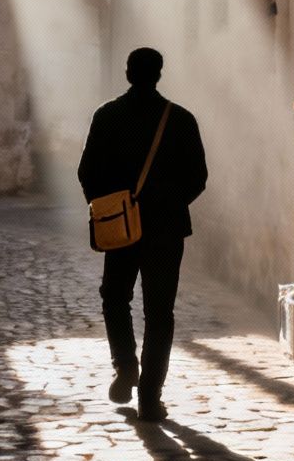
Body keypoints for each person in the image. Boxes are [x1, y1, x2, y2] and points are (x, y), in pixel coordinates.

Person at [77, 47, 207, 422]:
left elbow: (87, 171)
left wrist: (106, 208)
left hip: (120, 226)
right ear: (159, 74)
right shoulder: (181, 120)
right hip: (166, 230)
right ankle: (150, 396)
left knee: (115, 297)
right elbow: (198, 177)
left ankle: (125, 366)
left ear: (128, 72)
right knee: (160, 312)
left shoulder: (107, 116)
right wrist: (168, 203)